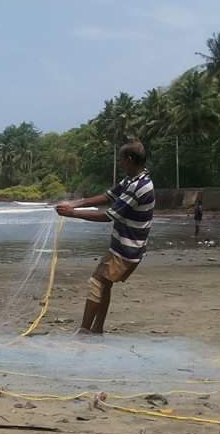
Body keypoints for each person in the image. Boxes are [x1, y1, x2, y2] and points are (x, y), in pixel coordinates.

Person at [56, 141, 154, 335]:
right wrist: (74, 204)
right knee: (104, 283)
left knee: (97, 282)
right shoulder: (131, 180)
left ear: (130, 159)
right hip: (121, 245)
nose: (120, 164)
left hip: (128, 248)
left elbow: (108, 215)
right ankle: (97, 328)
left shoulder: (139, 186)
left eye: (121, 160)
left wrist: (72, 214)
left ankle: (84, 331)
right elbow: (107, 196)